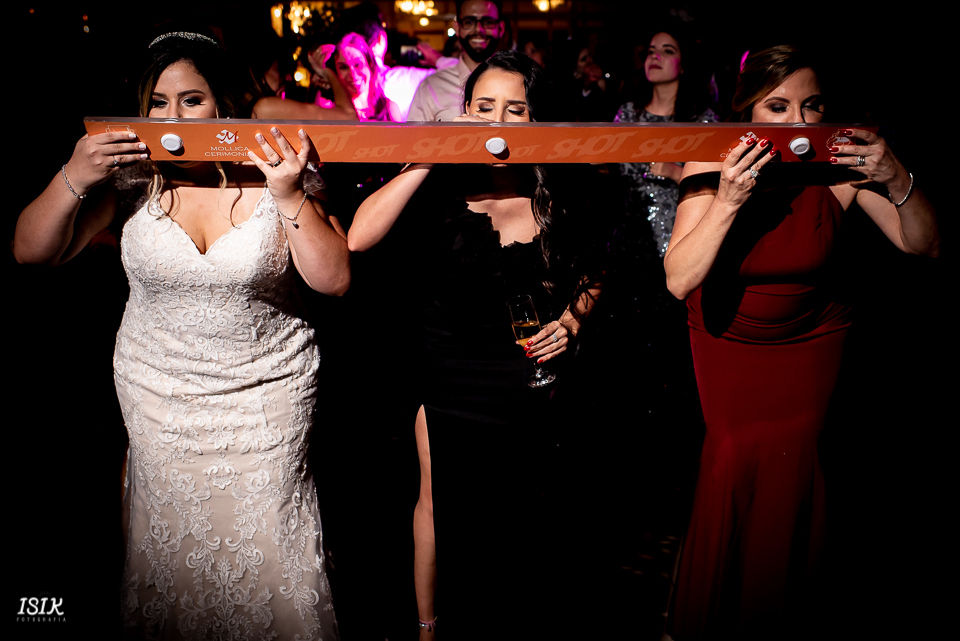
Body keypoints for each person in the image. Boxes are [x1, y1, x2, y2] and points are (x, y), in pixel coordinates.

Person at [13, 30, 349, 639]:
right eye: (159, 103)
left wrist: (288, 193)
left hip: (265, 404)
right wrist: (73, 174)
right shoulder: (131, 183)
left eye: (192, 100)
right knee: (175, 568)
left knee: (269, 557)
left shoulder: (273, 172)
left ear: (223, 104)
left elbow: (334, 280)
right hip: (159, 404)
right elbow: (31, 250)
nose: (174, 117)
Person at [663, 45, 939, 639]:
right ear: (746, 111)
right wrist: (729, 202)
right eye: (778, 106)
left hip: (812, 342)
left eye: (810, 106)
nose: (796, 123)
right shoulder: (710, 160)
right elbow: (679, 279)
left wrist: (896, 176)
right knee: (734, 463)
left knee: (797, 475)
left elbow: (924, 244)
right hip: (730, 341)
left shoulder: (837, 166)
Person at [348, 50, 600, 639]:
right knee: (437, 503)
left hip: (526, 378)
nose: (498, 121)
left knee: (522, 510)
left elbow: (596, 270)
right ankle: (428, 628)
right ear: (464, 110)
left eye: (516, 109)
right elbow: (359, 237)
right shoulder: (439, 186)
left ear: (536, 120)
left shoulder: (557, 192)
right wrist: (427, 155)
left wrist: (573, 321)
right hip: (445, 375)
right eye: (484, 107)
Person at [615, 25, 718, 257]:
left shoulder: (702, 121)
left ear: (683, 65)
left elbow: (719, 187)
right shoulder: (628, 114)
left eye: (667, 50)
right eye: (651, 51)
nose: (655, 56)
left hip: (680, 235)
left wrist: (674, 172)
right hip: (628, 235)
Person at [407, 0, 505, 122]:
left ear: (501, 28)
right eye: (469, 22)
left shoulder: (516, 83)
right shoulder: (432, 86)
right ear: (457, 28)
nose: (478, 29)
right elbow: (415, 134)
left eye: (488, 22)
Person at [332, 32, 402, 122]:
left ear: (370, 65)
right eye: (343, 67)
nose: (352, 74)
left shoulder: (390, 108)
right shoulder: (332, 111)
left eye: (358, 64)